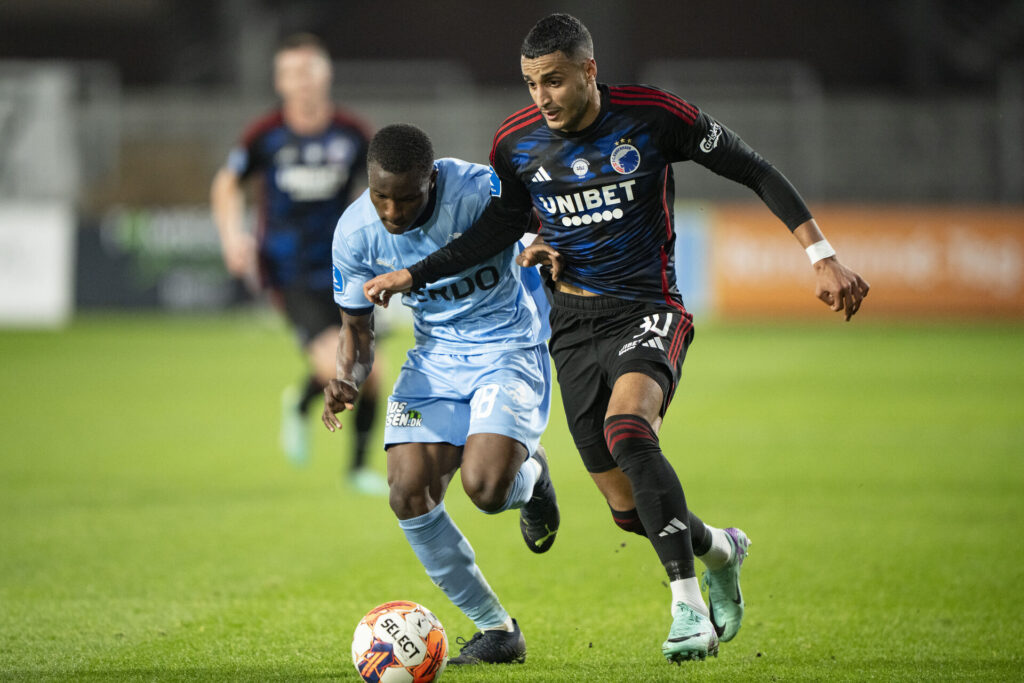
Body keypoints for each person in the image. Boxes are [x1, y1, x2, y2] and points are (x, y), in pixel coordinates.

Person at [362, 13, 870, 664]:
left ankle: (687, 607)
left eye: (553, 81)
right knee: (629, 511)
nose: (540, 97)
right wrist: (418, 272)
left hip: (649, 307)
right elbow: (500, 226)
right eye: (529, 84)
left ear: (588, 71)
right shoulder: (515, 144)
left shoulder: (653, 118)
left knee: (630, 429)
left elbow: (753, 168)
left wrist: (820, 254)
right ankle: (718, 549)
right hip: (571, 326)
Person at [322, 123, 560, 666]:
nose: (391, 211)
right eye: (381, 195)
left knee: (486, 488)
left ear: (431, 178)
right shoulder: (354, 233)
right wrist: (348, 379)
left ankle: (535, 477)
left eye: (405, 197)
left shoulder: (477, 189)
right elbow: (357, 329)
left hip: (507, 348)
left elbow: (543, 219)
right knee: (407, 491)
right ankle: (497, 631)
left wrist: (545, 243)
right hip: (434, 360)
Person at [210, 33, 387, 493]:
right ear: (279, 81)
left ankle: (356, 468)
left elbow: (380, 190)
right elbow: (226, 184)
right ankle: (303, 405)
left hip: (345, 266)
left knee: (372, 371)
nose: (300, 82)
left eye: (308, 72)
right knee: (340, 365)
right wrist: (233, 237)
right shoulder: (265, 135)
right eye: (290, 74)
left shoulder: (352, 133)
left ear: (325, 75)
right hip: (288, 272)